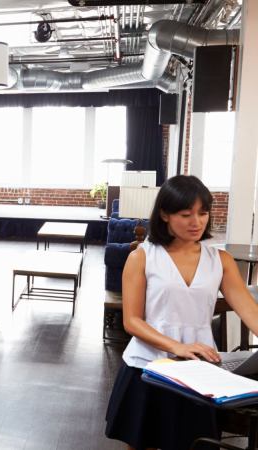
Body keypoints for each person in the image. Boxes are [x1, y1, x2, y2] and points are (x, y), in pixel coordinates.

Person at [105, 175, 258, 450]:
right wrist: (178, 346)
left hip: (200, 371)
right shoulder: (142, 256)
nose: (196, 222)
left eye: (203, 213)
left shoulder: (220, 260)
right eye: (186, 214)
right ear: (165, 214)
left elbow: (248, 309)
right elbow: (132, 321)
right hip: (148, 366)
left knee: (194, 444)